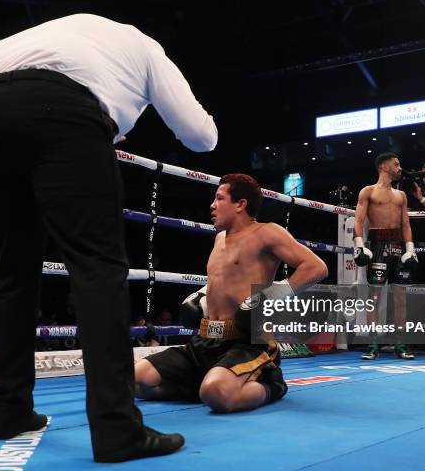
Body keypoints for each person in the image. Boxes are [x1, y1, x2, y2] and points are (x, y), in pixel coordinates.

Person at [0, 14, 217, 463]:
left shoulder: (65, 33)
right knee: (98, 267)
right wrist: (117, 113)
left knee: (12, 267)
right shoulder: (146, 48)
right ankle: (116, 430)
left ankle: (10, 411)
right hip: (59, 110)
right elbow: (200, 137)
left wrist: (108, 117)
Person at [134, 174, 328, 412]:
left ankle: (273, 386)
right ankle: (214, 385)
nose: (212, 205)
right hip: (205, 341)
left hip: (247, 342)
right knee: (138, 379)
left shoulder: (267, 232)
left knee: (216, 394)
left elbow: (316, 267)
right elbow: (222, 280)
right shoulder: (218, 239)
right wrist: (200, 296)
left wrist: (268, 297)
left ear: (240, 204)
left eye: (219, 198)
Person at [353, 153, 418, 360]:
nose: (400, 168)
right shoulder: (368, 191)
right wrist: (359, 245)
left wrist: (410, 248)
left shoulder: (401, 196)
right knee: (374, 296)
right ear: (383, 166)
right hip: (378, 244)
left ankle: (400, 344)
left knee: (400, 297)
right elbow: (358, 220)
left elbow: (406, 224)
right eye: (396, 164)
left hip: (398, 246)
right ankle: (373, 344)